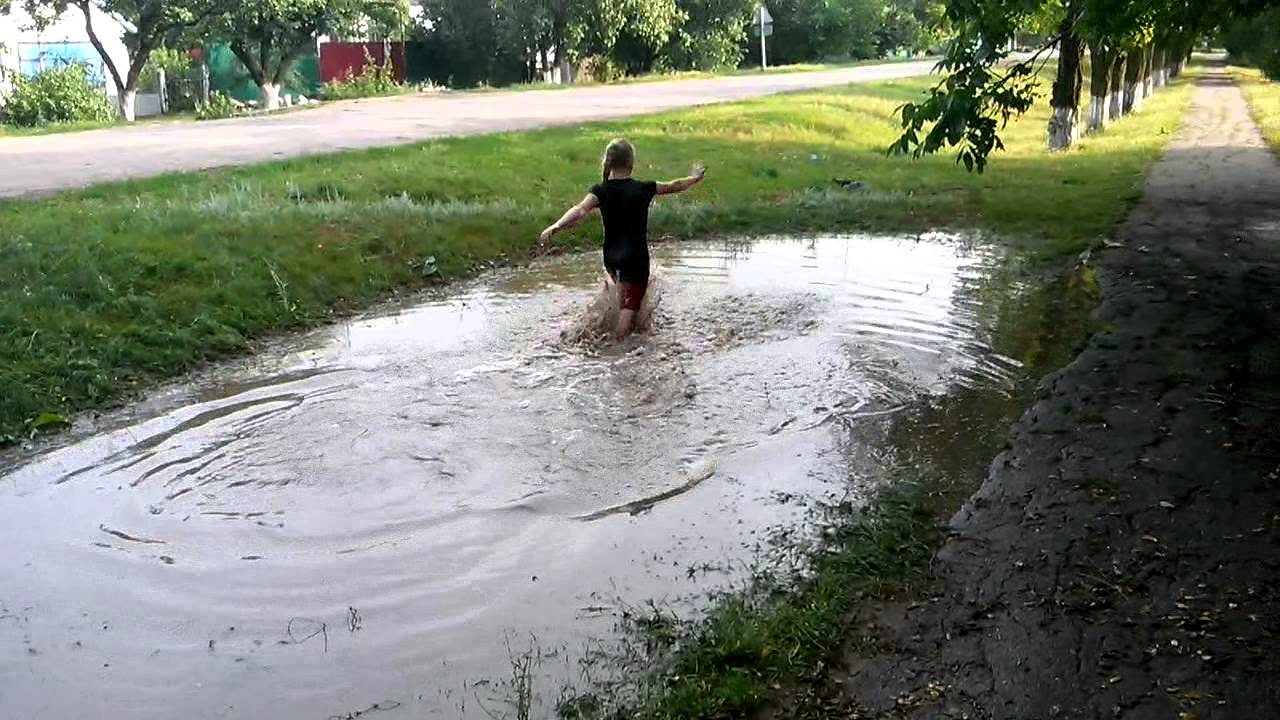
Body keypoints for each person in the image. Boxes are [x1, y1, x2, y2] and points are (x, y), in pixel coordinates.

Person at [539, 138, 707, 339]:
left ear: (609, 162)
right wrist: (695, 178)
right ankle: (620, 352)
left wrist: (557, 225)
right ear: (631, 163)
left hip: (611, 258)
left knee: (622, 300)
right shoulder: (643, 188)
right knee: (629, 309)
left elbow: (580, 210)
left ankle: (611, 333)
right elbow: (675, 185)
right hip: (635, 259)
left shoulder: (600, 190)